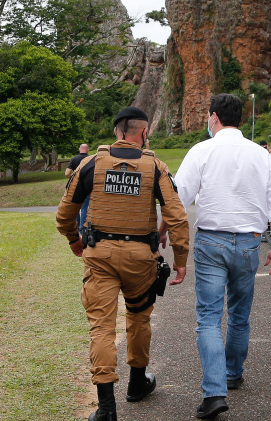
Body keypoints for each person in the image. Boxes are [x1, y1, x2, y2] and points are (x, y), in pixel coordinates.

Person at [55, 106, 189, 421]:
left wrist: (74, 240)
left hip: (99, 257)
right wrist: (181, 259)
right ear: (144, 132)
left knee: (102, 327)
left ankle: (106, 408)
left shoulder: (90, 164)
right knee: (139, 319)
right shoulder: (155, 167)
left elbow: (64, 215)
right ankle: (137, 383)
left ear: (117, 132)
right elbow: (177, 217)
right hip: (141, 259)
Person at [173, 93, 271, 419]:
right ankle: (233, 373)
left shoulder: (202, 150)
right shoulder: (261, 155)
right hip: (250, 242)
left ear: (214, 117)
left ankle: (213, 393)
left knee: (209, 317)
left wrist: (165, 230)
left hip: (212, 241)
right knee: (239, 313)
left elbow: (178, 198)